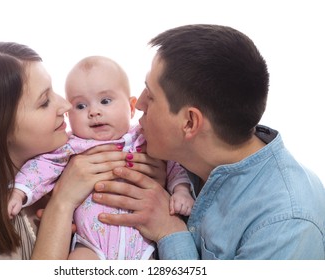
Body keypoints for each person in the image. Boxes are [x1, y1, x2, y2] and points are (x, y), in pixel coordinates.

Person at [91, 24, 325, 259]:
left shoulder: (285, 225)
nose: (139, 104)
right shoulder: (174, 160)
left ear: (190, 122)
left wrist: (170, 230)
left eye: (150, 96)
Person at [0, 42, 163, 259]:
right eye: (45, 102)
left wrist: (157, 181)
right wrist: (62, 203)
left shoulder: (55, 170)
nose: (65, 106)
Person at [7, 55, 194, 260]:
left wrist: (181, 191)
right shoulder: (72, 146)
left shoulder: (145, 138)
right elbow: (41, 167)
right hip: (91, 245)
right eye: (80, 106)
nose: (94, 112)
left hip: (143, 245)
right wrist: (20, 192)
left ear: (131, 107)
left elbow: (174, 164)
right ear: (70, 115)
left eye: (105, 101)